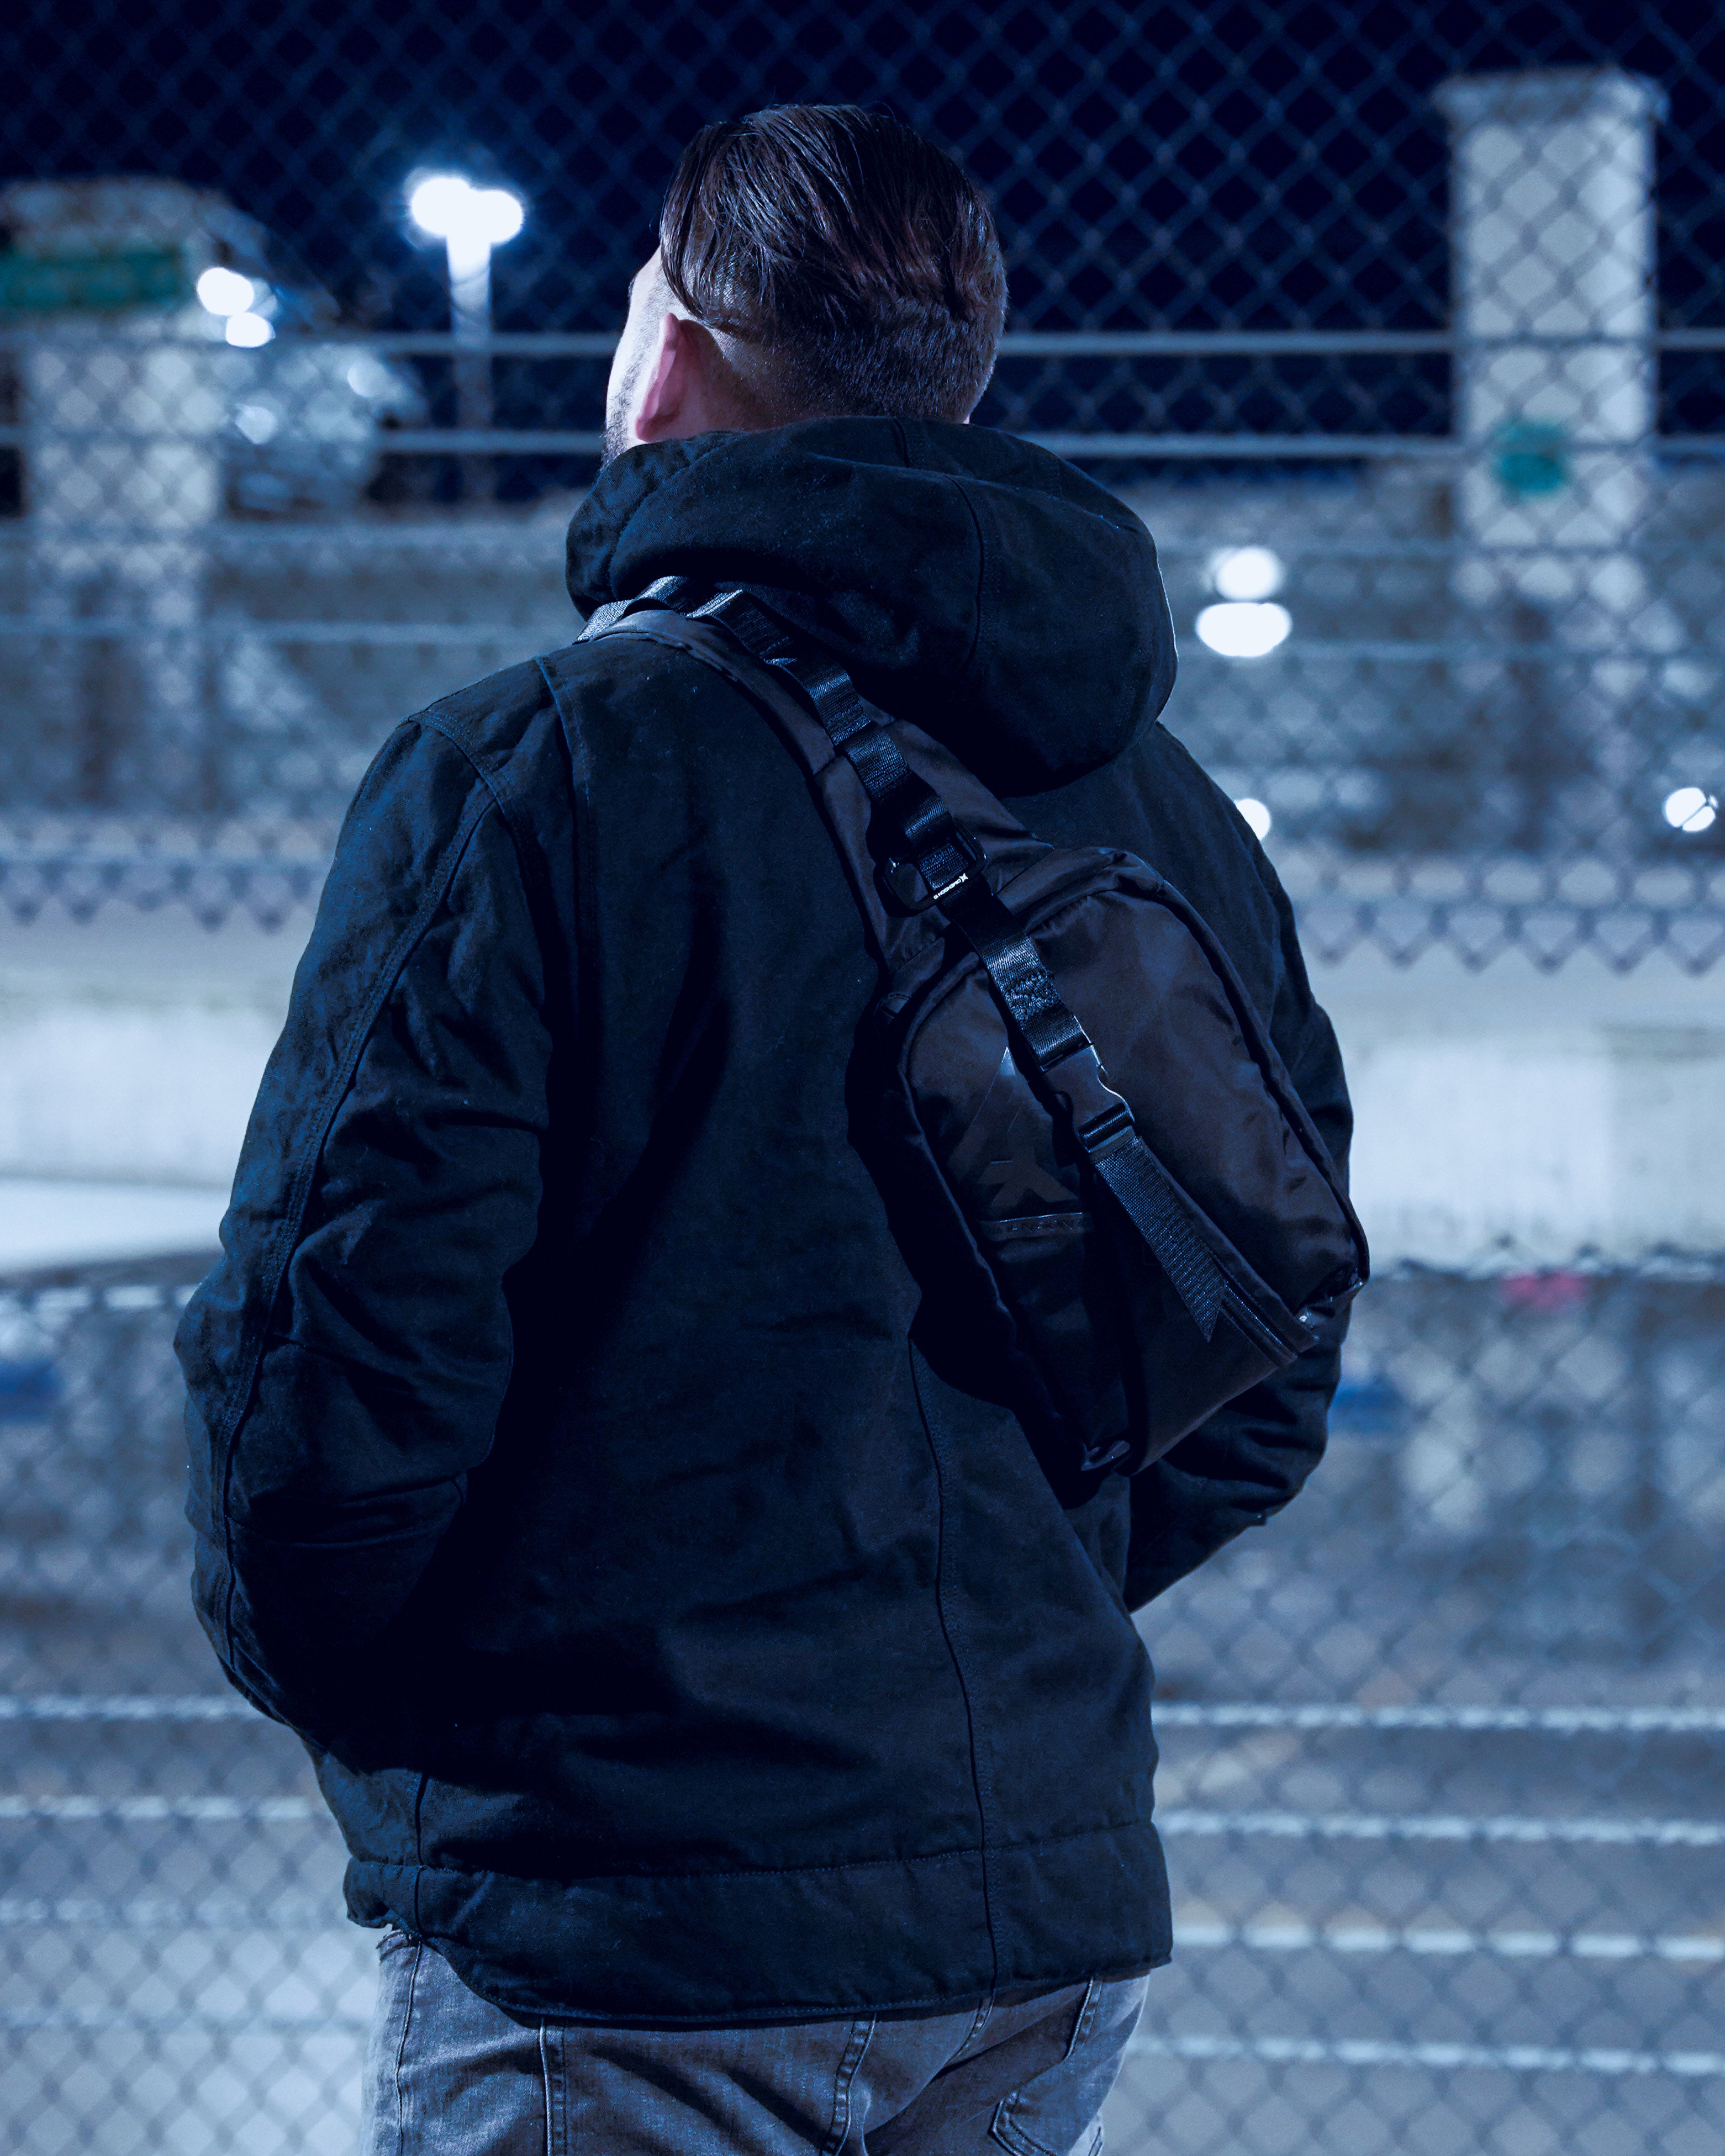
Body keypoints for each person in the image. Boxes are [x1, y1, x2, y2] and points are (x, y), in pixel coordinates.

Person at [178, 104, 1352, 2155]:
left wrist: (453, 1727)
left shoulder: (533, 770)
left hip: (635, 1938)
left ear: (673, 355)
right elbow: (1264, 1351)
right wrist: (1006, 1620)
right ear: (952, 375)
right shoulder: (1164, 811)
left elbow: (332, 1365)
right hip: (1037, 1927)